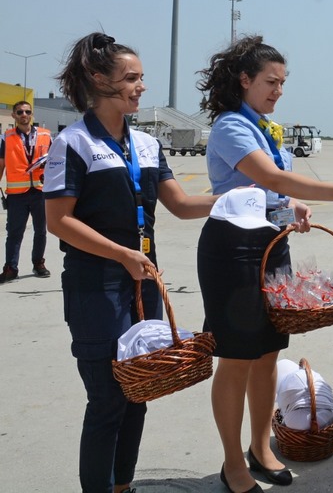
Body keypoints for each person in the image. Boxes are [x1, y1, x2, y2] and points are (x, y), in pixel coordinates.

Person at [195, 35, 333, 493]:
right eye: (270, 82)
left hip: (271, 244)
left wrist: (289, 204)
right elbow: (270, 176)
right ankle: (232, 463)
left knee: (267, 355)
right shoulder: (231, 126)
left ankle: (260, 448)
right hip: (234, 250)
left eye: (283, 82)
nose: (278, 91)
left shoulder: (263, 125)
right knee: (236, 359)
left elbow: (269, 189)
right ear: (244, 80)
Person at [43, 33, 217, 493]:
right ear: (99, 80)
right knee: (107, 401)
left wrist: (239, 196)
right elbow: (59, 221)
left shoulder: (146, 144)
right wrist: (121, 254)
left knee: (139, 391)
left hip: (142, 283)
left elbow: (181, 204)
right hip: (96, 285)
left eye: (142, 77)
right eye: (131, 78)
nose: (142, 87)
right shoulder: (73, 143)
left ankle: (123, 485)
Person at [0, 100, 53, 281]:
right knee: (14, 233)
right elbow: (1, 164)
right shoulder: (6, 138)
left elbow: (56, 161)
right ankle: (10, 268)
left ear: (32, 114)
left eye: (27, 112)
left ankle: (38, 263)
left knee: (41, 231)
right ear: (13, 115)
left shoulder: (46, 135)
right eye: (20, 112)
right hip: (16, 195)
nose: (24, 115)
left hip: (40, 191)